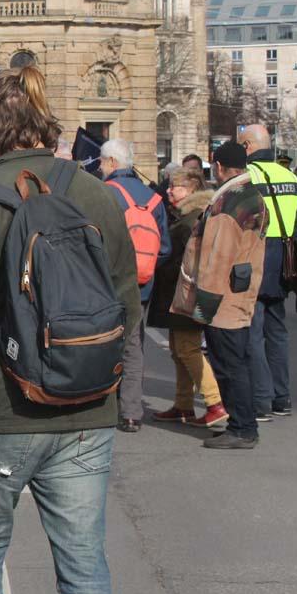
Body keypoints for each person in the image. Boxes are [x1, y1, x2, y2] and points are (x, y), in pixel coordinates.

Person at [0, 66, 141, 594]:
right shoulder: (96, 194)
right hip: (86, 408)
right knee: (84, 572)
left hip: (2, 408)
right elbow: (126, 301)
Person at [170, 141, 267, 449]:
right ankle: (243, 425)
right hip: (241, 289)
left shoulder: (228, 203)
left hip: (223, 296)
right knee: (238, 361)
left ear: (220, 167)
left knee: (229, 364)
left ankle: (241, 429)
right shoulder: (251, 195)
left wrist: (204, 306)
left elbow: (216, 257)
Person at [98, 139, 171, 432]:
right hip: (141, 285)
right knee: (133, 345)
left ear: (112, 163)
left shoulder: (104, 194)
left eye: (102, 162)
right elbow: (164, 248)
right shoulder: (153, 199)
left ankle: (104, 406)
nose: (101, 168)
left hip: (107, 283)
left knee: (104, 342)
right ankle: (131, 412)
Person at [147, 168, 227, 427]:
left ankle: (215, 403)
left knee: (187, 348)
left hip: (186, 293)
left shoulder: (193, 217)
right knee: (178, 350)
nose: (170, 191)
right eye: (170, 186)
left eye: (176, 187)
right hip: (178, 292)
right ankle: (183, 405)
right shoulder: (187, 214)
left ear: (191, 190)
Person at [238, 124, 297, 419]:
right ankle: (281, 397)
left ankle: (260, 400)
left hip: (259, 251)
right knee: (277, 330)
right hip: (287, 258)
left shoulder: (249, 177)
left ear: (248, 146)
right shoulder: (290, 176)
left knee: (253, 329)